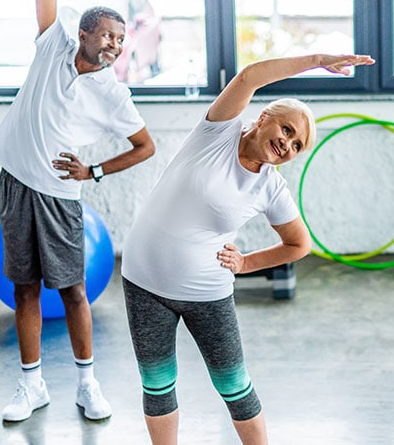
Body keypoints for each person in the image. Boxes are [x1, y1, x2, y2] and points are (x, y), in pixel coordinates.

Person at [120, 53, 375, 445]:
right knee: (156, 384)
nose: (287, 143)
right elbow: (251, 76)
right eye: (286, 129)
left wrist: (244, 264)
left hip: (206, 293)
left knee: (235, 386)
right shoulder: (217, 132)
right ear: (263, 117)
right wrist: (319, 60)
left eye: (296, 144)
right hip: (143, 282)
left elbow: (298, 245)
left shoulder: (270, 188)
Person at [0, 0, 158, 422]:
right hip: (18, 185)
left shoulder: (113, 94)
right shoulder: (52, 46)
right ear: (82, 34)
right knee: (23, 288)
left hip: (62, 199)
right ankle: (31, 385)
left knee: (74, 292)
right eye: (107, 34)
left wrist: (94, 171)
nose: (115, 45)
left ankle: (87, 385)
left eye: (122, 40)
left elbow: (146, 147)